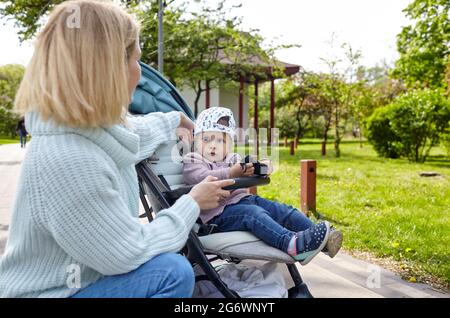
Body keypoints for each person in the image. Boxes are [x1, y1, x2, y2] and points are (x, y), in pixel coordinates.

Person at [0, 0, 234, 298]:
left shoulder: (86, 131)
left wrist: (173, 119)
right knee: (172, 274)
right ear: (107, 68)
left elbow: (132, 134)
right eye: (136, 60)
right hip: (53, 292)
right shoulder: (70, 158)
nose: (139, 73)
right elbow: (127, 252)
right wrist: (192, 203)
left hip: (82, 282)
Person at [183, 107, 343, 265]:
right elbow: (200, 178)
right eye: (206, 139)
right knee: (254, 214)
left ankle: (325, 238)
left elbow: (246, 171)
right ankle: (293, 245)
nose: (213, 145)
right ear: (196, 141)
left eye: (221, 140)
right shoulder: (193, 159)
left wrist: (260, 168)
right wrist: (232, 173)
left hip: (244, 200)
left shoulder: (232, 159)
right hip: (217, 215)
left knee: (282, 210)